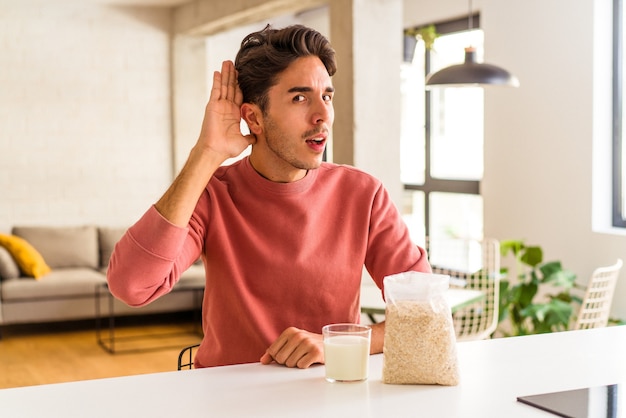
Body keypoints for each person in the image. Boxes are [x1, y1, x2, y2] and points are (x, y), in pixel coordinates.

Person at [107, 24, 431, 369]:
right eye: (299, 97)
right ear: (254, 118)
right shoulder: (213, 196)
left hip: (326, 396)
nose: (322, 115)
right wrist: (207, 152)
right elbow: (131, 285)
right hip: (226, 398)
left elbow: (426, 311)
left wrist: (339, 343)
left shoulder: (363, 195)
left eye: (327, 96)